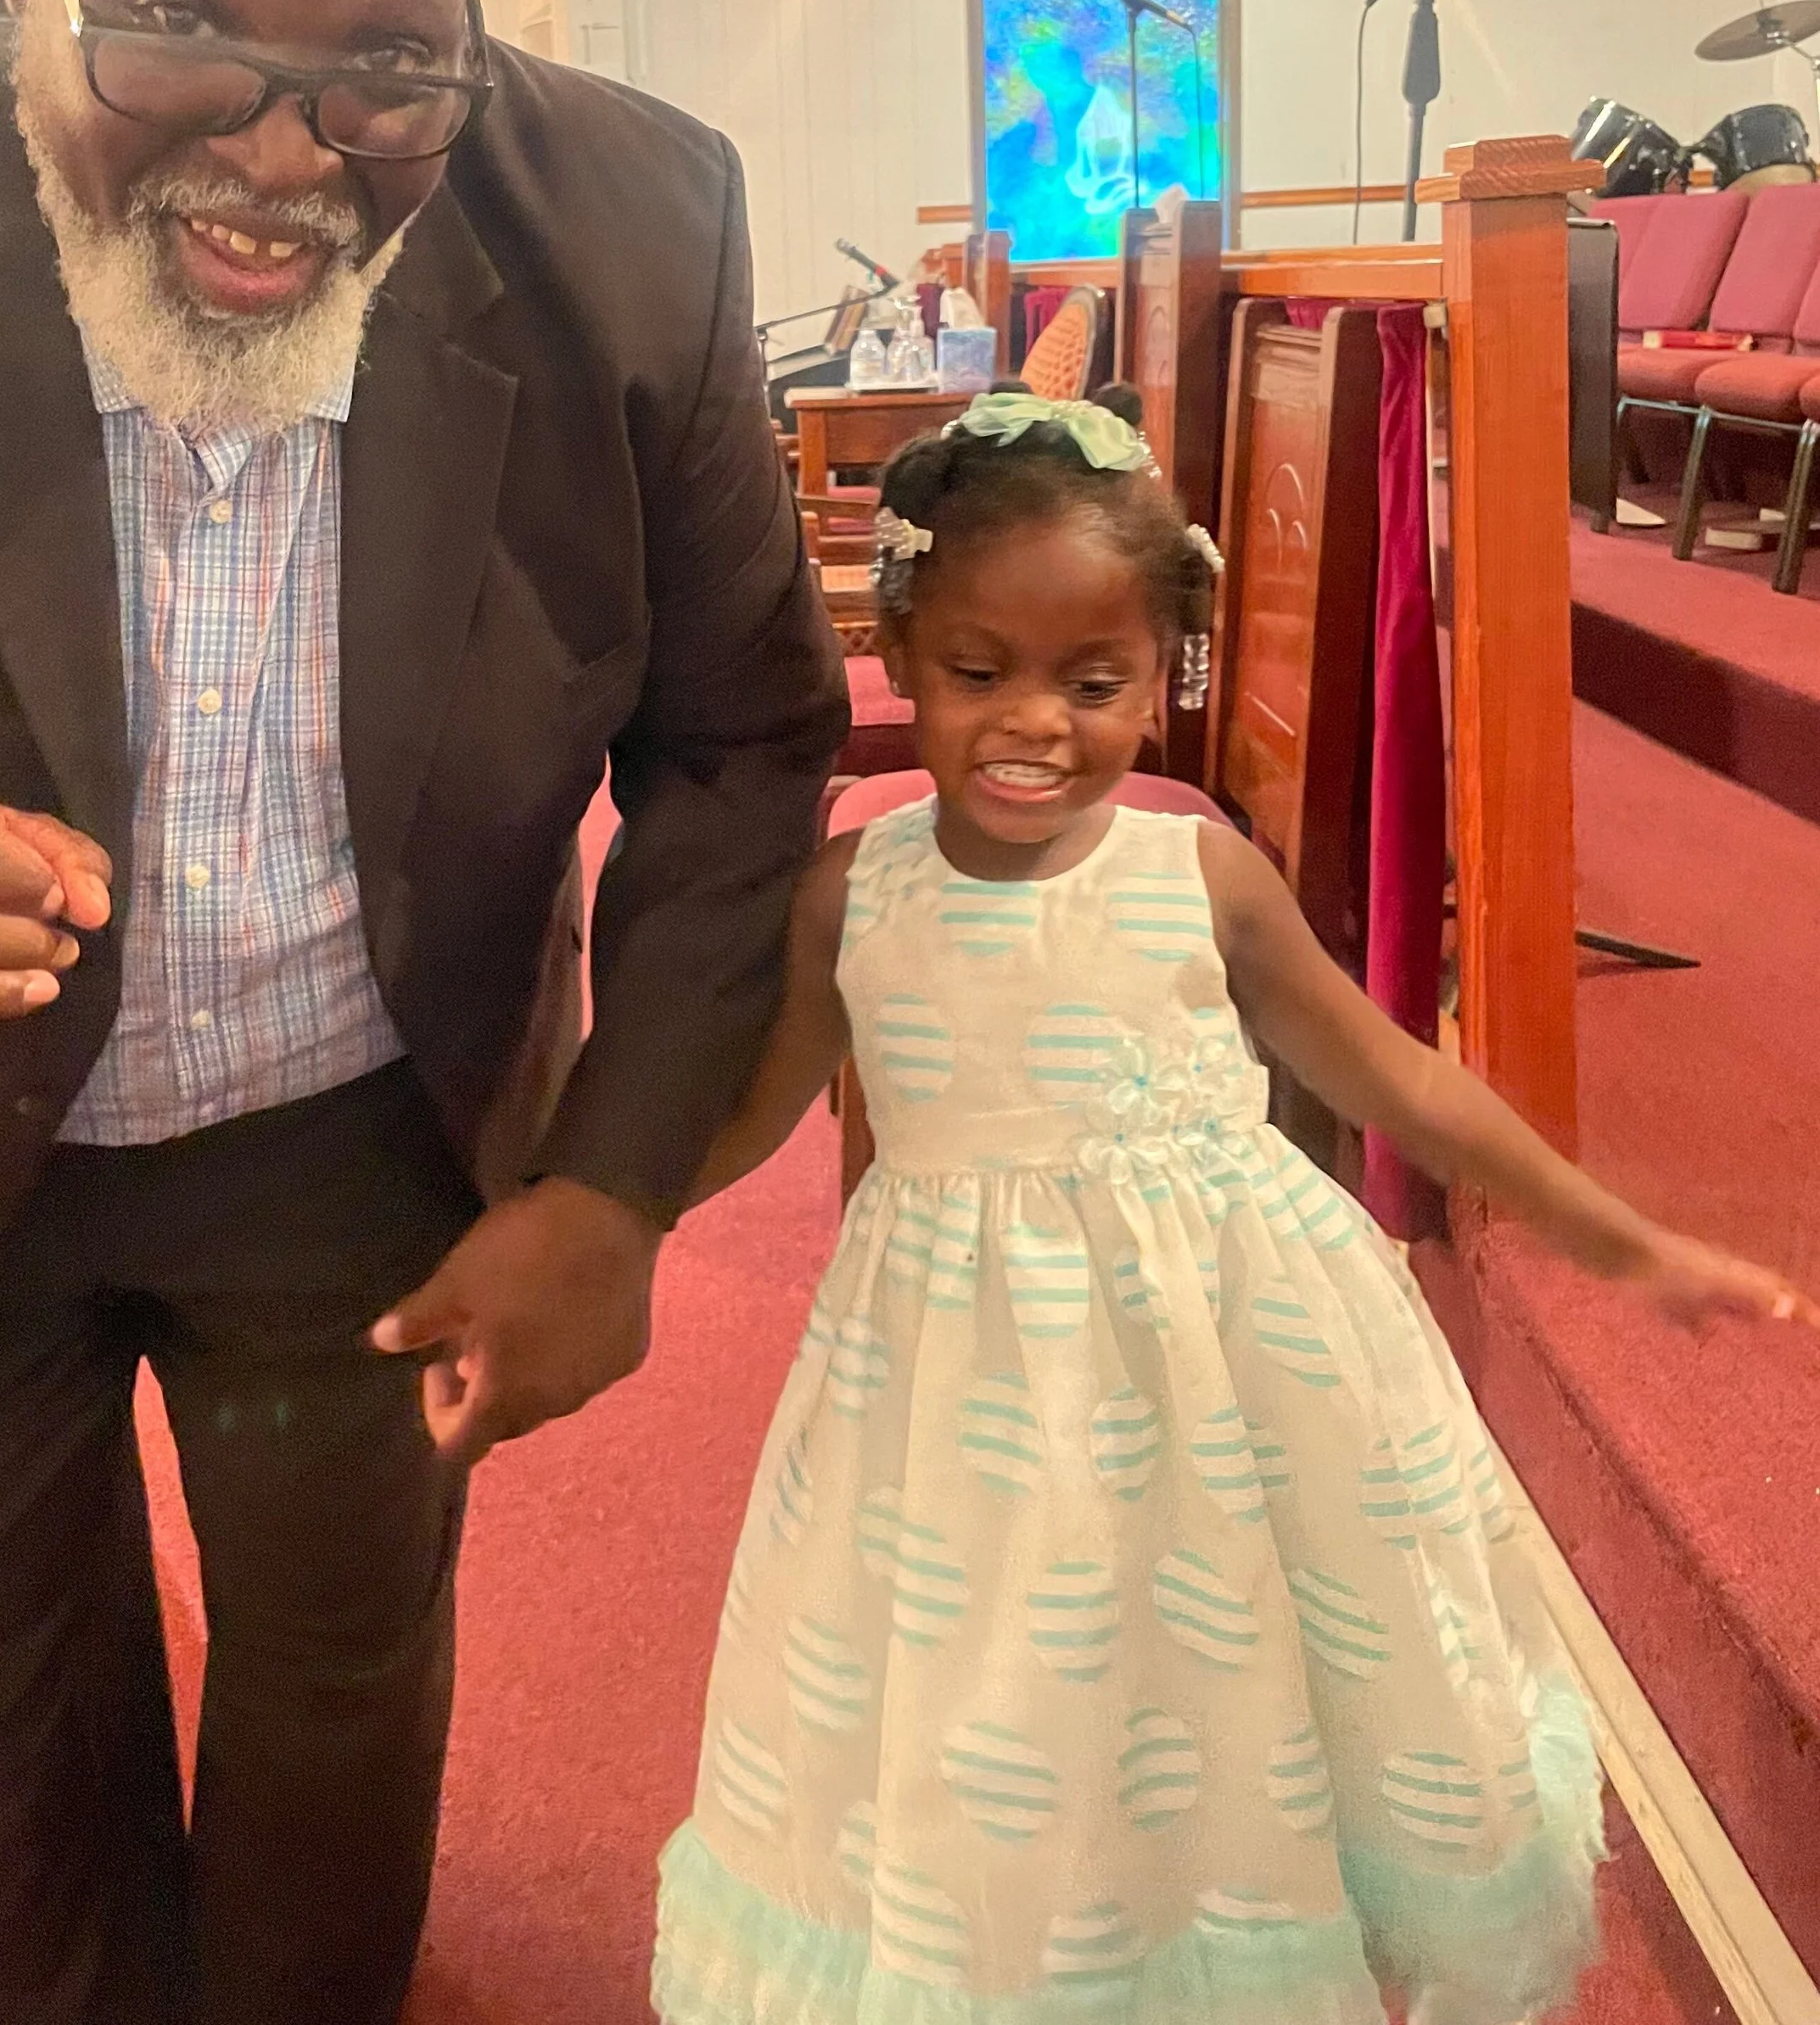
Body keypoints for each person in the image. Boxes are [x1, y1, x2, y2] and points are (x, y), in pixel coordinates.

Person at [0, 0, 846, 2025]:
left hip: (365, 1132)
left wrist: (620, 1176)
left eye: (392, 61)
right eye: (185, 18)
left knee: (339, 1701)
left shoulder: (628, 224)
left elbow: (745, 732)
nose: (285, 144)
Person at [652, 393, 1815, 2025]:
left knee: (1237, 1683)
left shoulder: (1193, 877)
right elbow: (766, 1110)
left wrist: (1627, 1242)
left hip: (1228, 1378)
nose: (1034, 724)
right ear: (899, 652)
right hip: (962, 1402)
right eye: (979, 672)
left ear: (1164, 674)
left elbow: (1401, 1082)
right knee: (1017, 1711)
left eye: (1095, 681)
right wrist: (585, 1221)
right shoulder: (856, 886)